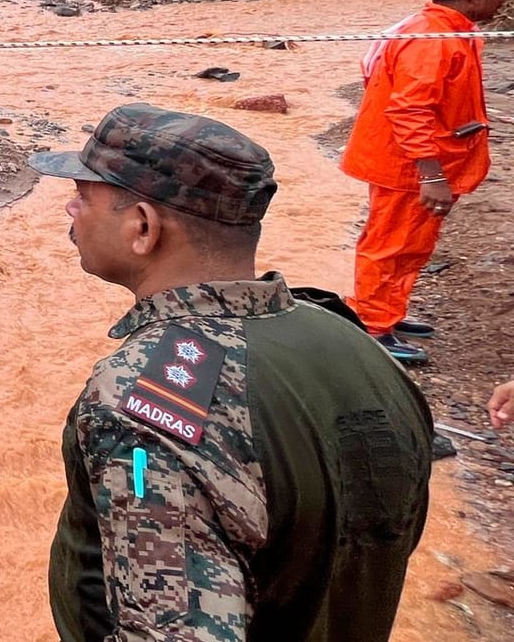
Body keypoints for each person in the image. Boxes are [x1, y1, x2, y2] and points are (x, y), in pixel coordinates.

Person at [34, 103, 433, 642]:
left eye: (84, 196)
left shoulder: (143, 404)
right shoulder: (357, 345)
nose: (69, 208)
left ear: (144, 228)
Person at [340, 0, 513, 363]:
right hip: (406, 165)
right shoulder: (433, 40)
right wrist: (430, 174)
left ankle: (386, 311)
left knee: (412, 244)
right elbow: (409, 108)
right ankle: (372, 326)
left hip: (415, 160)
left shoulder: (449, 30)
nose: (503, 0)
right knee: (390, 244)